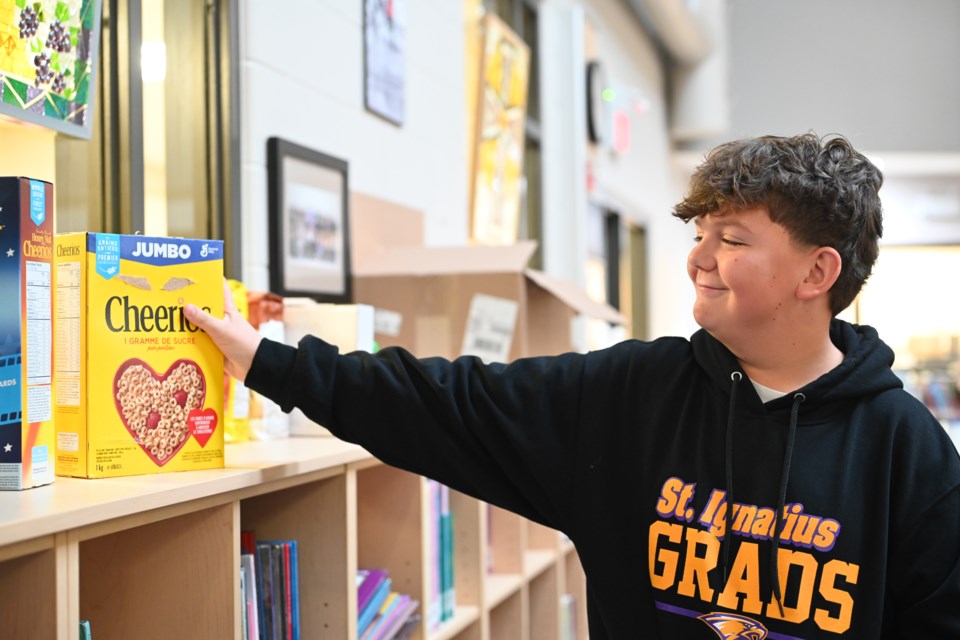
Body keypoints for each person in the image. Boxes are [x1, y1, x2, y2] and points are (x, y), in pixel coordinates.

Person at [185, 133, 960, 639]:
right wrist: (272, 361)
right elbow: (448, 403)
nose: (699, 259)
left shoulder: (904, 445)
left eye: (732, 240)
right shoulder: (629, 396)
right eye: (698, 237)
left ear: (817, 272)